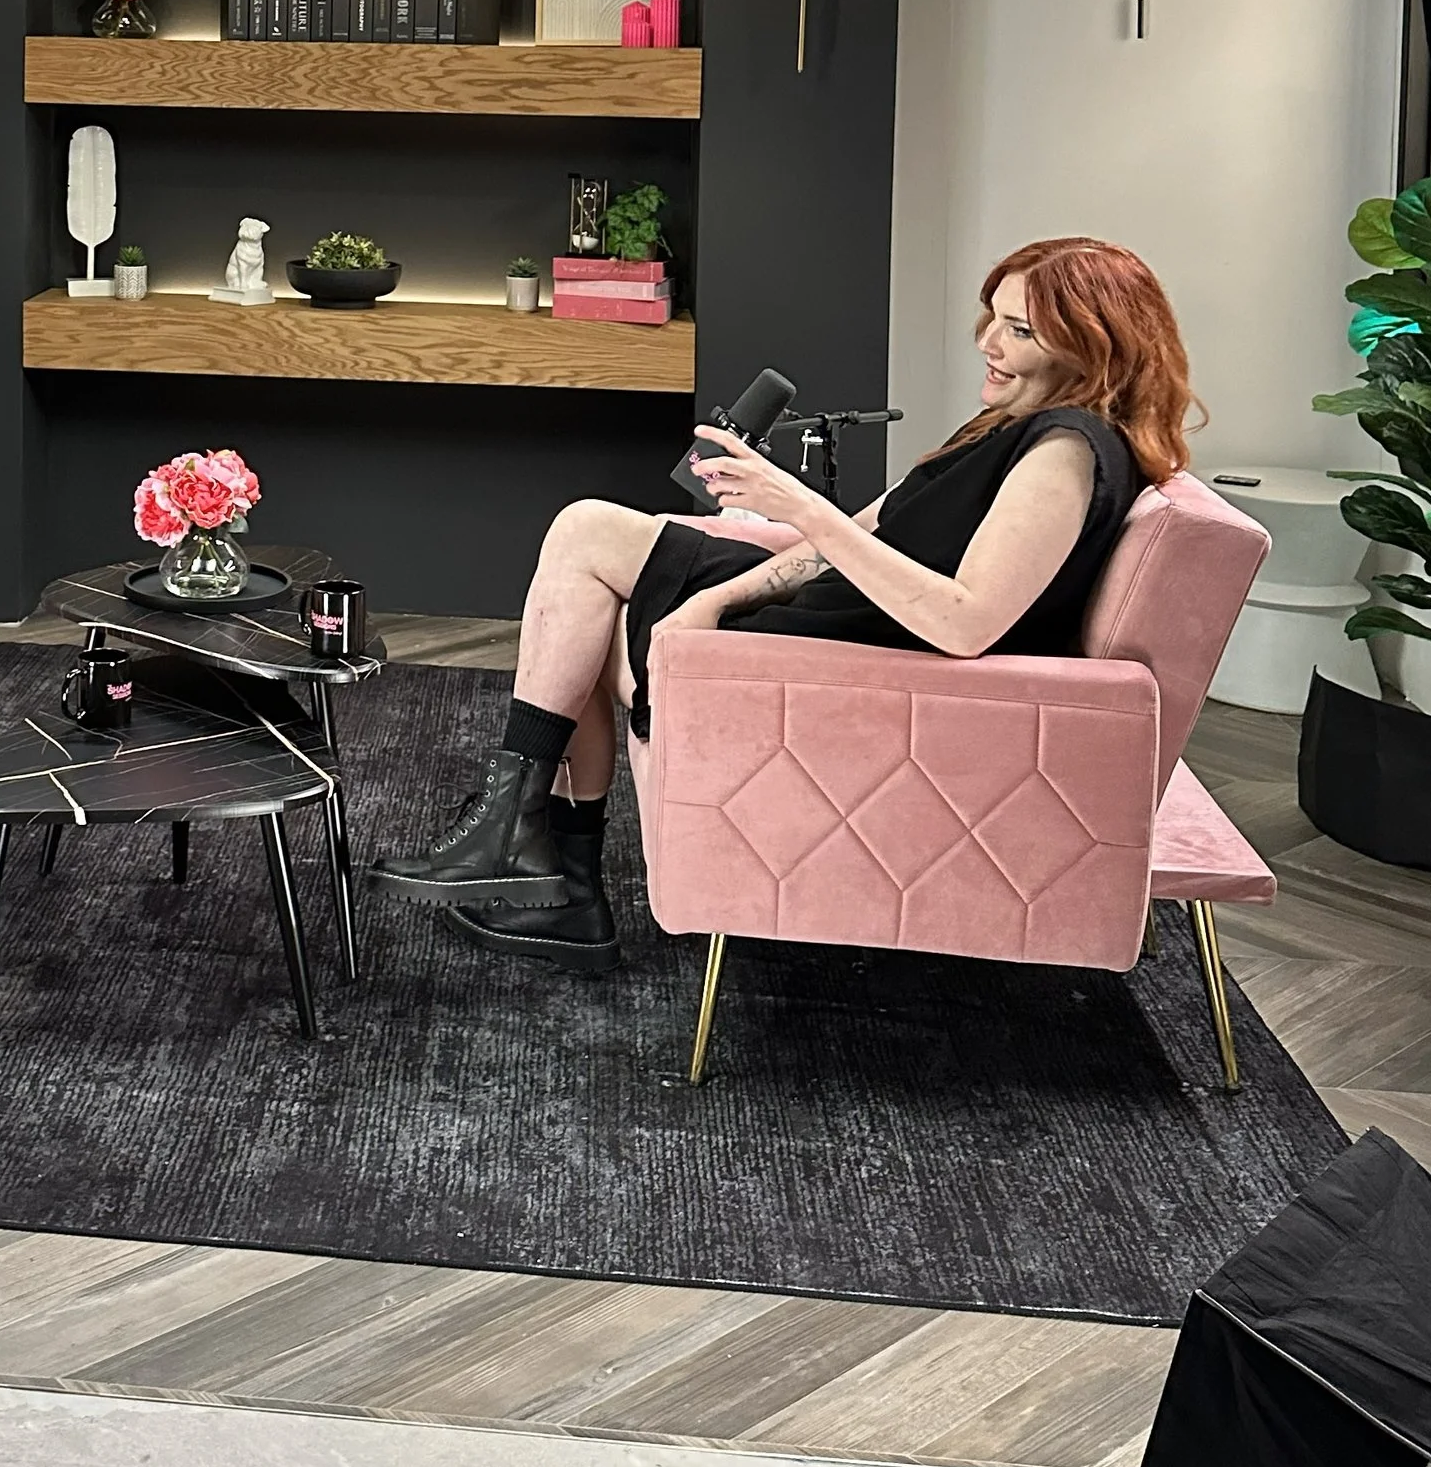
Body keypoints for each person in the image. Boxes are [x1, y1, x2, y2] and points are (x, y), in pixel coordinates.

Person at [375, 237, 1196, 974]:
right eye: (993, 316)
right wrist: (720, 596)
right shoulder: (1014, 424)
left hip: (847, 654)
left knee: (586, 565)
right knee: (585, 540)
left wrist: (795, 504)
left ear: (1094, 344)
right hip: (835, 609)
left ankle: (538, 855)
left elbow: (966, 620)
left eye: (1018, 329)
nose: (987, 340)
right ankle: (535, 853)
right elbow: (869, 528)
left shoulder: (1062, 455)